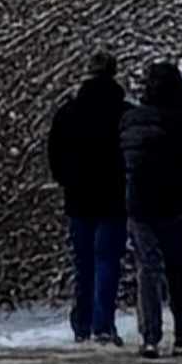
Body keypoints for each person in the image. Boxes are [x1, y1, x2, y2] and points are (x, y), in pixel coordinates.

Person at [121, 58, 182, 353]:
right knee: (179, 270)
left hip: (137, 202)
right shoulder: (176, 119)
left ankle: (150, 336)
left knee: (148, 268)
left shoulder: (130, 119)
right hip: (172, 201)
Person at [46, 55, 130, 341]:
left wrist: (68, 180)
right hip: (114, 198)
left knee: (83, 263)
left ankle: (82, 322)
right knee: (107, 260)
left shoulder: (68, 113)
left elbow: (54, 155)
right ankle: (102, 323)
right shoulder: (125, 114)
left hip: (79, 198)